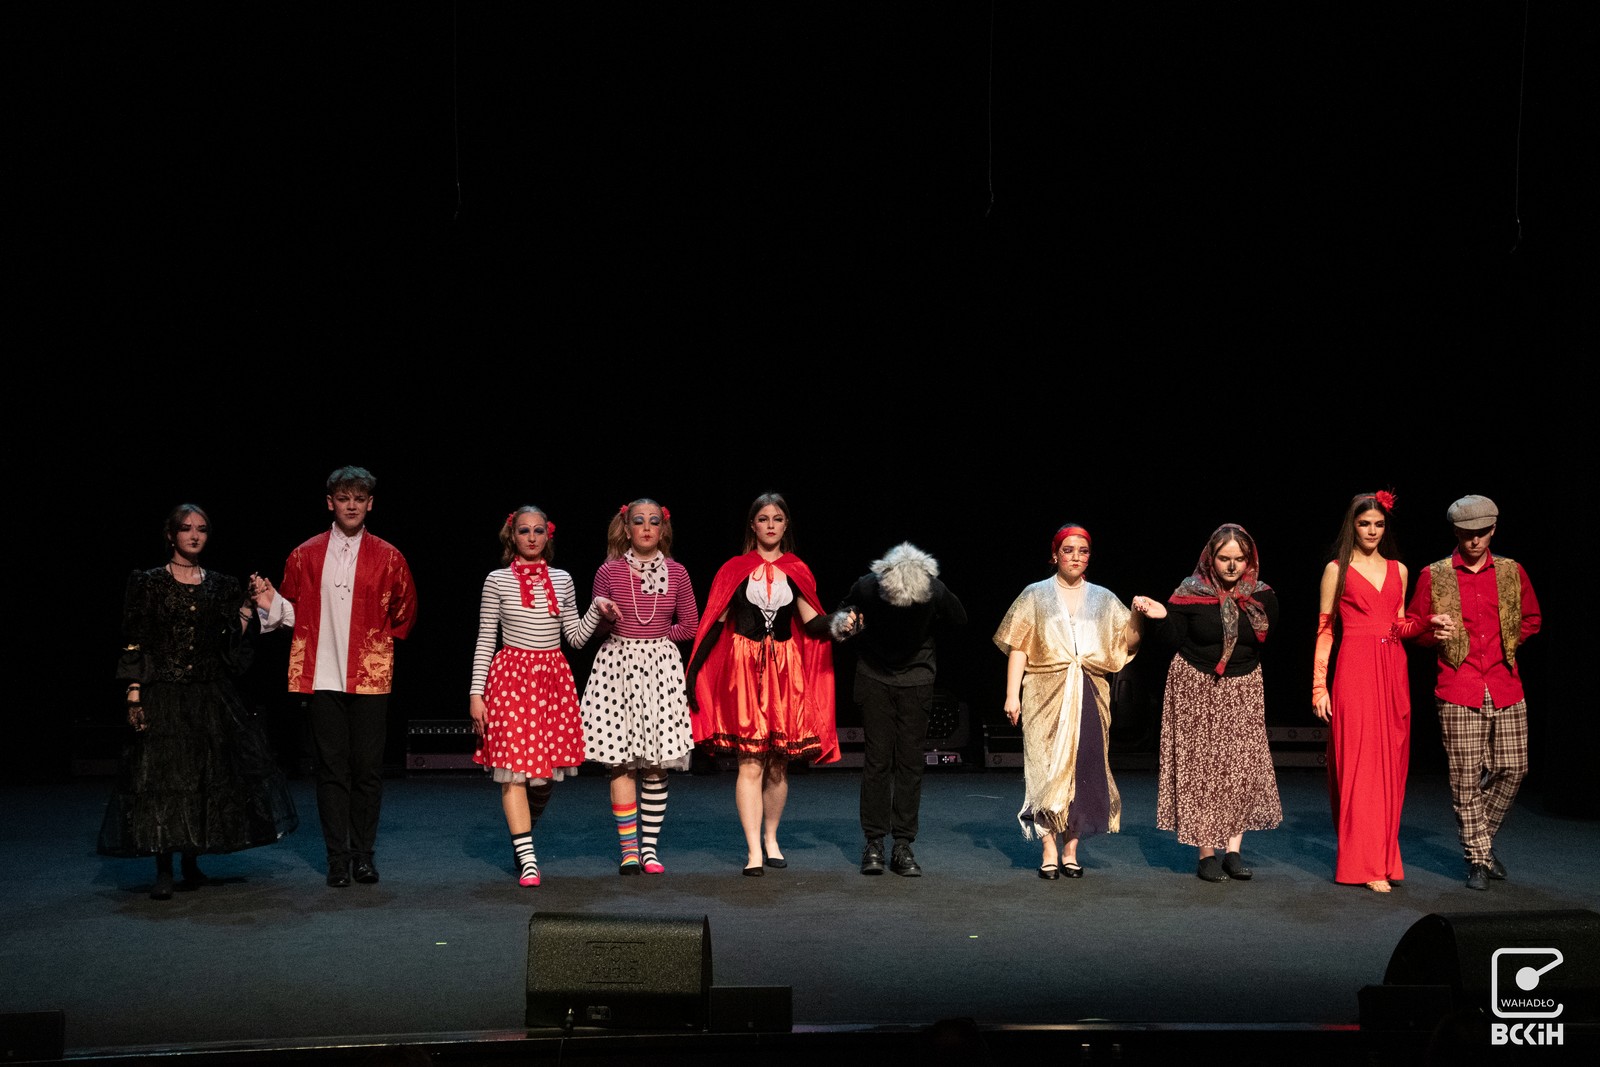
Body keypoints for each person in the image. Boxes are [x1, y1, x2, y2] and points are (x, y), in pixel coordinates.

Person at [99, 504, 298, 900]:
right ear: (170, 535)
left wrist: (247, 607)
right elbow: (137, 639)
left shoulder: (221, 585)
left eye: (202, 529)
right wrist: (134, 693)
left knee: (203, 778)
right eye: (186, 528)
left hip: (209, 694)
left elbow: (228, 644)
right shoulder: (149, 582)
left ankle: (191, 863)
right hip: (165, 693)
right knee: (163, 780)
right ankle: (163, 868)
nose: (194, 536)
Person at [254, 466, 417, 889]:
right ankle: (337, 858)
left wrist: (376, 640)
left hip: (369, 674)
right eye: (344, 498)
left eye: (359, 498)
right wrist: (271, 603)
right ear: (330, 502)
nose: (351, 505)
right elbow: (295, 613)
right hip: (322, 673)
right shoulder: (305, 554)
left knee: (367, 769)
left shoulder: (389, 556)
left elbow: (404, 610)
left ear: (370, 504)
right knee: (330, 769)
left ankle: (363, 855)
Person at [685, 492, 840, 876]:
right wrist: (692, 673)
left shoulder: (796, 569)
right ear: (753, 526)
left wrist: (843, 621)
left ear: (786, 526)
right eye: (763, 519)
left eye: (777, 519)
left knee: (778, 764)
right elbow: (714, 624)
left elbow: (813, 623)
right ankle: (753, 849)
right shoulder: (734, 569)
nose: (770, 525)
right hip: (744, 669)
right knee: (750, 761)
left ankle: (771, 838)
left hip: (785, 670)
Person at [470, 506, 617, 885]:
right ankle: (527, 857)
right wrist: (476, 693)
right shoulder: (497, 580)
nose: (531, 537)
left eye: (538, 530)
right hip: (510, 679)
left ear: (547, 535)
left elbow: (576, 638)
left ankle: (522, 835)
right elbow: (486, 639)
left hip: (552, 681)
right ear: (512, 536)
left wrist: (597, 610)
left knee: (544, 779)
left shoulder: (562, 579)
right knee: (513, 772)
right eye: (524, 531)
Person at [1404, 494, 1541, 891]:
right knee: (1465, 778)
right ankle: (1478, 858)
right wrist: (1433, 631)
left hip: (1505, 682)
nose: (1475, 540)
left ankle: (1480, 838)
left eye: (1481, 532)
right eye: (1467, 534)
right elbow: (1414, 626)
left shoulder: (1512, 571)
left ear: (1493, 530)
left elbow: (1532, 618)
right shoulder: (1435, 574)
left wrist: (1508, 642)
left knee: (1514, 768)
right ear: (1456, 533)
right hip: (1458, 685)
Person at [1311, 490, 1446, 893]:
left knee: (1390, 767)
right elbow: (1325, 630)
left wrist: (1426, 623)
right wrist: (1319, 686)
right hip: (1354, 670)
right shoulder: (1337, 569)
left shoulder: (1399, 570)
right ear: (1352, 526)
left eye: (1379, 524)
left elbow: (1399, 625)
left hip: (1392, 671)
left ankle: (1383, 859)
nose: (1372, 531)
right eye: (1365, 524)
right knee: (1360, 766)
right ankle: (1364, 863)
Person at [994, 523, 1145, 879]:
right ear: (1055, 555)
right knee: (1044, 768)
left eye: (1083, 551)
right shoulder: (1035, 595)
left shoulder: (1103, 598)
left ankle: (1071, 849)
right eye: (1068, 550)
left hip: (1090, 692)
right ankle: (1049, 847)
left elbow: (1129, 642)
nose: (1076, 557)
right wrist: (1011, 695)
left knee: (1084, 769)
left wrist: (1138, 613)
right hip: (1044, 692)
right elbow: (1019, 647)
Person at [1137, 523, 1281, 883]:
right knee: (1202, 771)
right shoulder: (1191, 592)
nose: (1231, 566)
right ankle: (1206, 854)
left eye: (1239, 559)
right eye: (1224, 558)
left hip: (1243, 687)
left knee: (1240, 770)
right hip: (1196, 685)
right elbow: (1173, 639)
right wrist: (1161, 616)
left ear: (1249, 560)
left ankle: (1233, 852)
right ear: (1210, 558)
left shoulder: (1262, 597)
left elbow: (1263, 640)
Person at [829, 542, 967, 877]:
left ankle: (903, 844)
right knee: (878, 761)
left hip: (916, 678)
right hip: (874, 676)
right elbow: (842, 611)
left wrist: (929, 634)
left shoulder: (933, 588)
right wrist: (847, 622)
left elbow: (960, 620)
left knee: (909, 762)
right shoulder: (869, 585)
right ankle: (874, 842)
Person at [580, 499, 700, 875]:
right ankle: (629, 850)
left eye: (653, 521)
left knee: (656, 763)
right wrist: (606, 618)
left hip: (659, 669)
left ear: (663, 529)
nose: (647, 528)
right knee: (621, 762)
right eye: (639, 521)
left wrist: (658, 640)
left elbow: (691, 625)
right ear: (627, 528)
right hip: (617, 667)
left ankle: (649, 849)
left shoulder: (677, 572)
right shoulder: (609, 571)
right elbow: (596, 629)